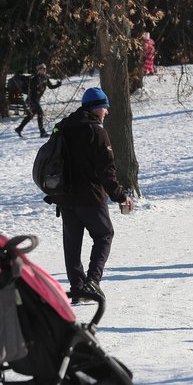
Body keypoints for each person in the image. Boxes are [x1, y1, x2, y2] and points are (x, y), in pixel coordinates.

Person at [55, 87, 133, 305]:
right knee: (104, 234)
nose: (106, 112)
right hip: (90, 198)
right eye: (105, 108)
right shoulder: (96, 132)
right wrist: (120, 196)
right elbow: (107, 172)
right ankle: (92, 282)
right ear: (97, 108)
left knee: (72, 244)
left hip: (66, 197)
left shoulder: (62, 127)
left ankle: (78, 289)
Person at [15, 63, 62, 138]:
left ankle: (19, 129)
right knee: (40, 112)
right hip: (31, 99)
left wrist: (58, 84)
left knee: (31, 115)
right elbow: (28, 86)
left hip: (36, 99)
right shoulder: (35, 78)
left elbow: (50, 86)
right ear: (38, 70)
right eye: (41, 69)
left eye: (44, 69)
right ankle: (42, 132)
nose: (43, 70)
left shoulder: (45, 77)